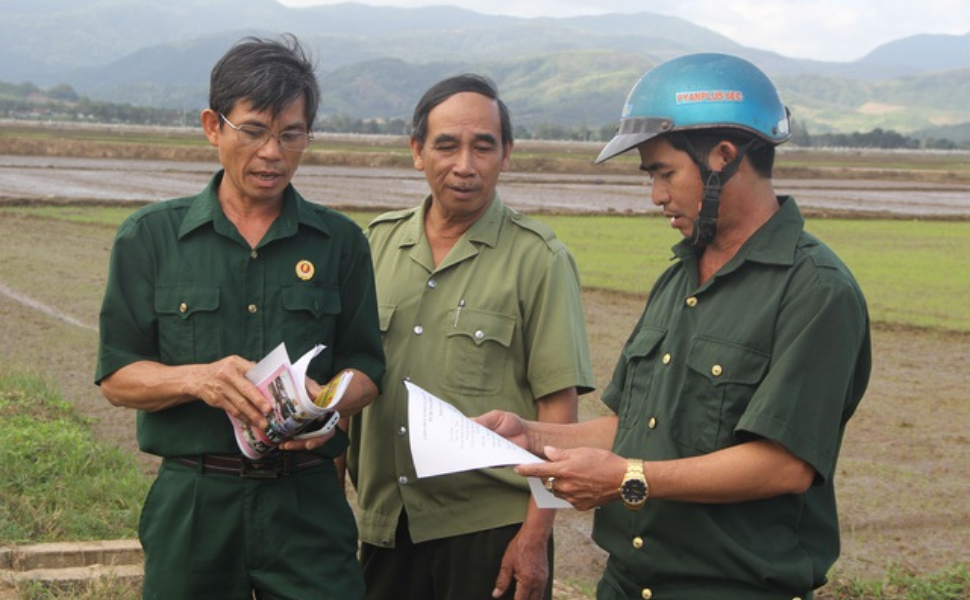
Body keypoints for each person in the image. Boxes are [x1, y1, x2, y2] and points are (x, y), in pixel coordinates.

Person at [476, 53, 872, 600]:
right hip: (626, 583)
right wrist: (533, 435)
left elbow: (783, 466)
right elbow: (642, 427)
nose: (657, 195)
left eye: (665, 172)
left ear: (724, 157)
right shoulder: (680, 276)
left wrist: (627, 479)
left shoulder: (815, 290)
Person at [94, 35, 385, 600]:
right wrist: (195, 379)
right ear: (213, 126)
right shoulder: (150, 238)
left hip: (307, 503)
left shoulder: (341, 243)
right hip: (195, 502)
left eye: (291, 134)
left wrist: (326, 401)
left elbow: (368, 368)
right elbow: (117, 376)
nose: (272, 152)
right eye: (253, 130)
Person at [346, 74, 596, 600]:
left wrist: (535, 536)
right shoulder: (374, 246)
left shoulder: (539, 260)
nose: (465, 165)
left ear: (506, 153)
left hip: (491, 529)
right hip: (387, 525)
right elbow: (345, 390)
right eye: (446, 145)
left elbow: (558, 412)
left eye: (483, 146)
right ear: (417, 151)